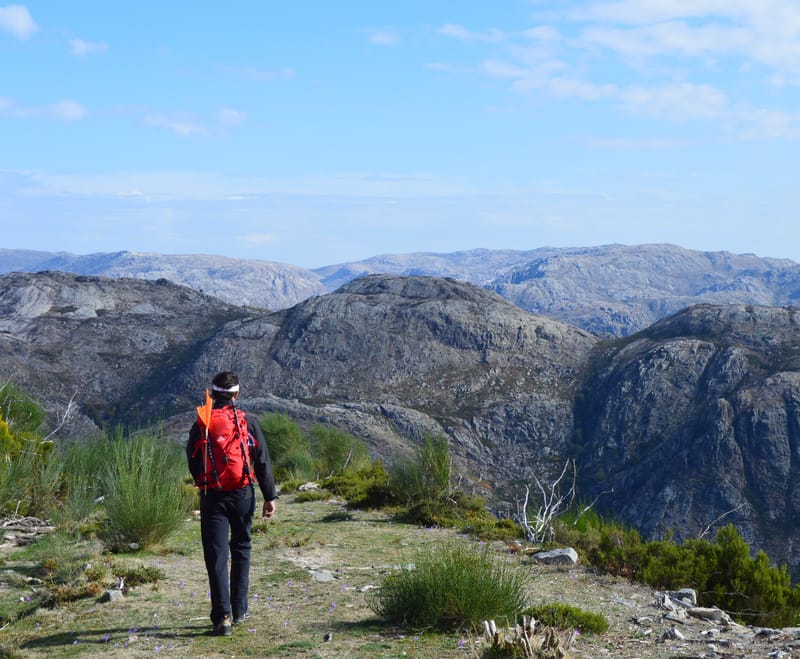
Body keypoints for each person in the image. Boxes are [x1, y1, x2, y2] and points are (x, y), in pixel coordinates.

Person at [186, 371, 277, 636]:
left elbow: (193, 458)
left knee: (216, 557)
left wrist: (205, 481)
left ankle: (222, 617)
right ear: (236, 394)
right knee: (241, 547)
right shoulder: (247, 421)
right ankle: (240, 610)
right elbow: (261, 460)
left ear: (212, 394)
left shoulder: (202, 423)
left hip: (212, 495)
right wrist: (269, 497)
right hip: (242, 493)